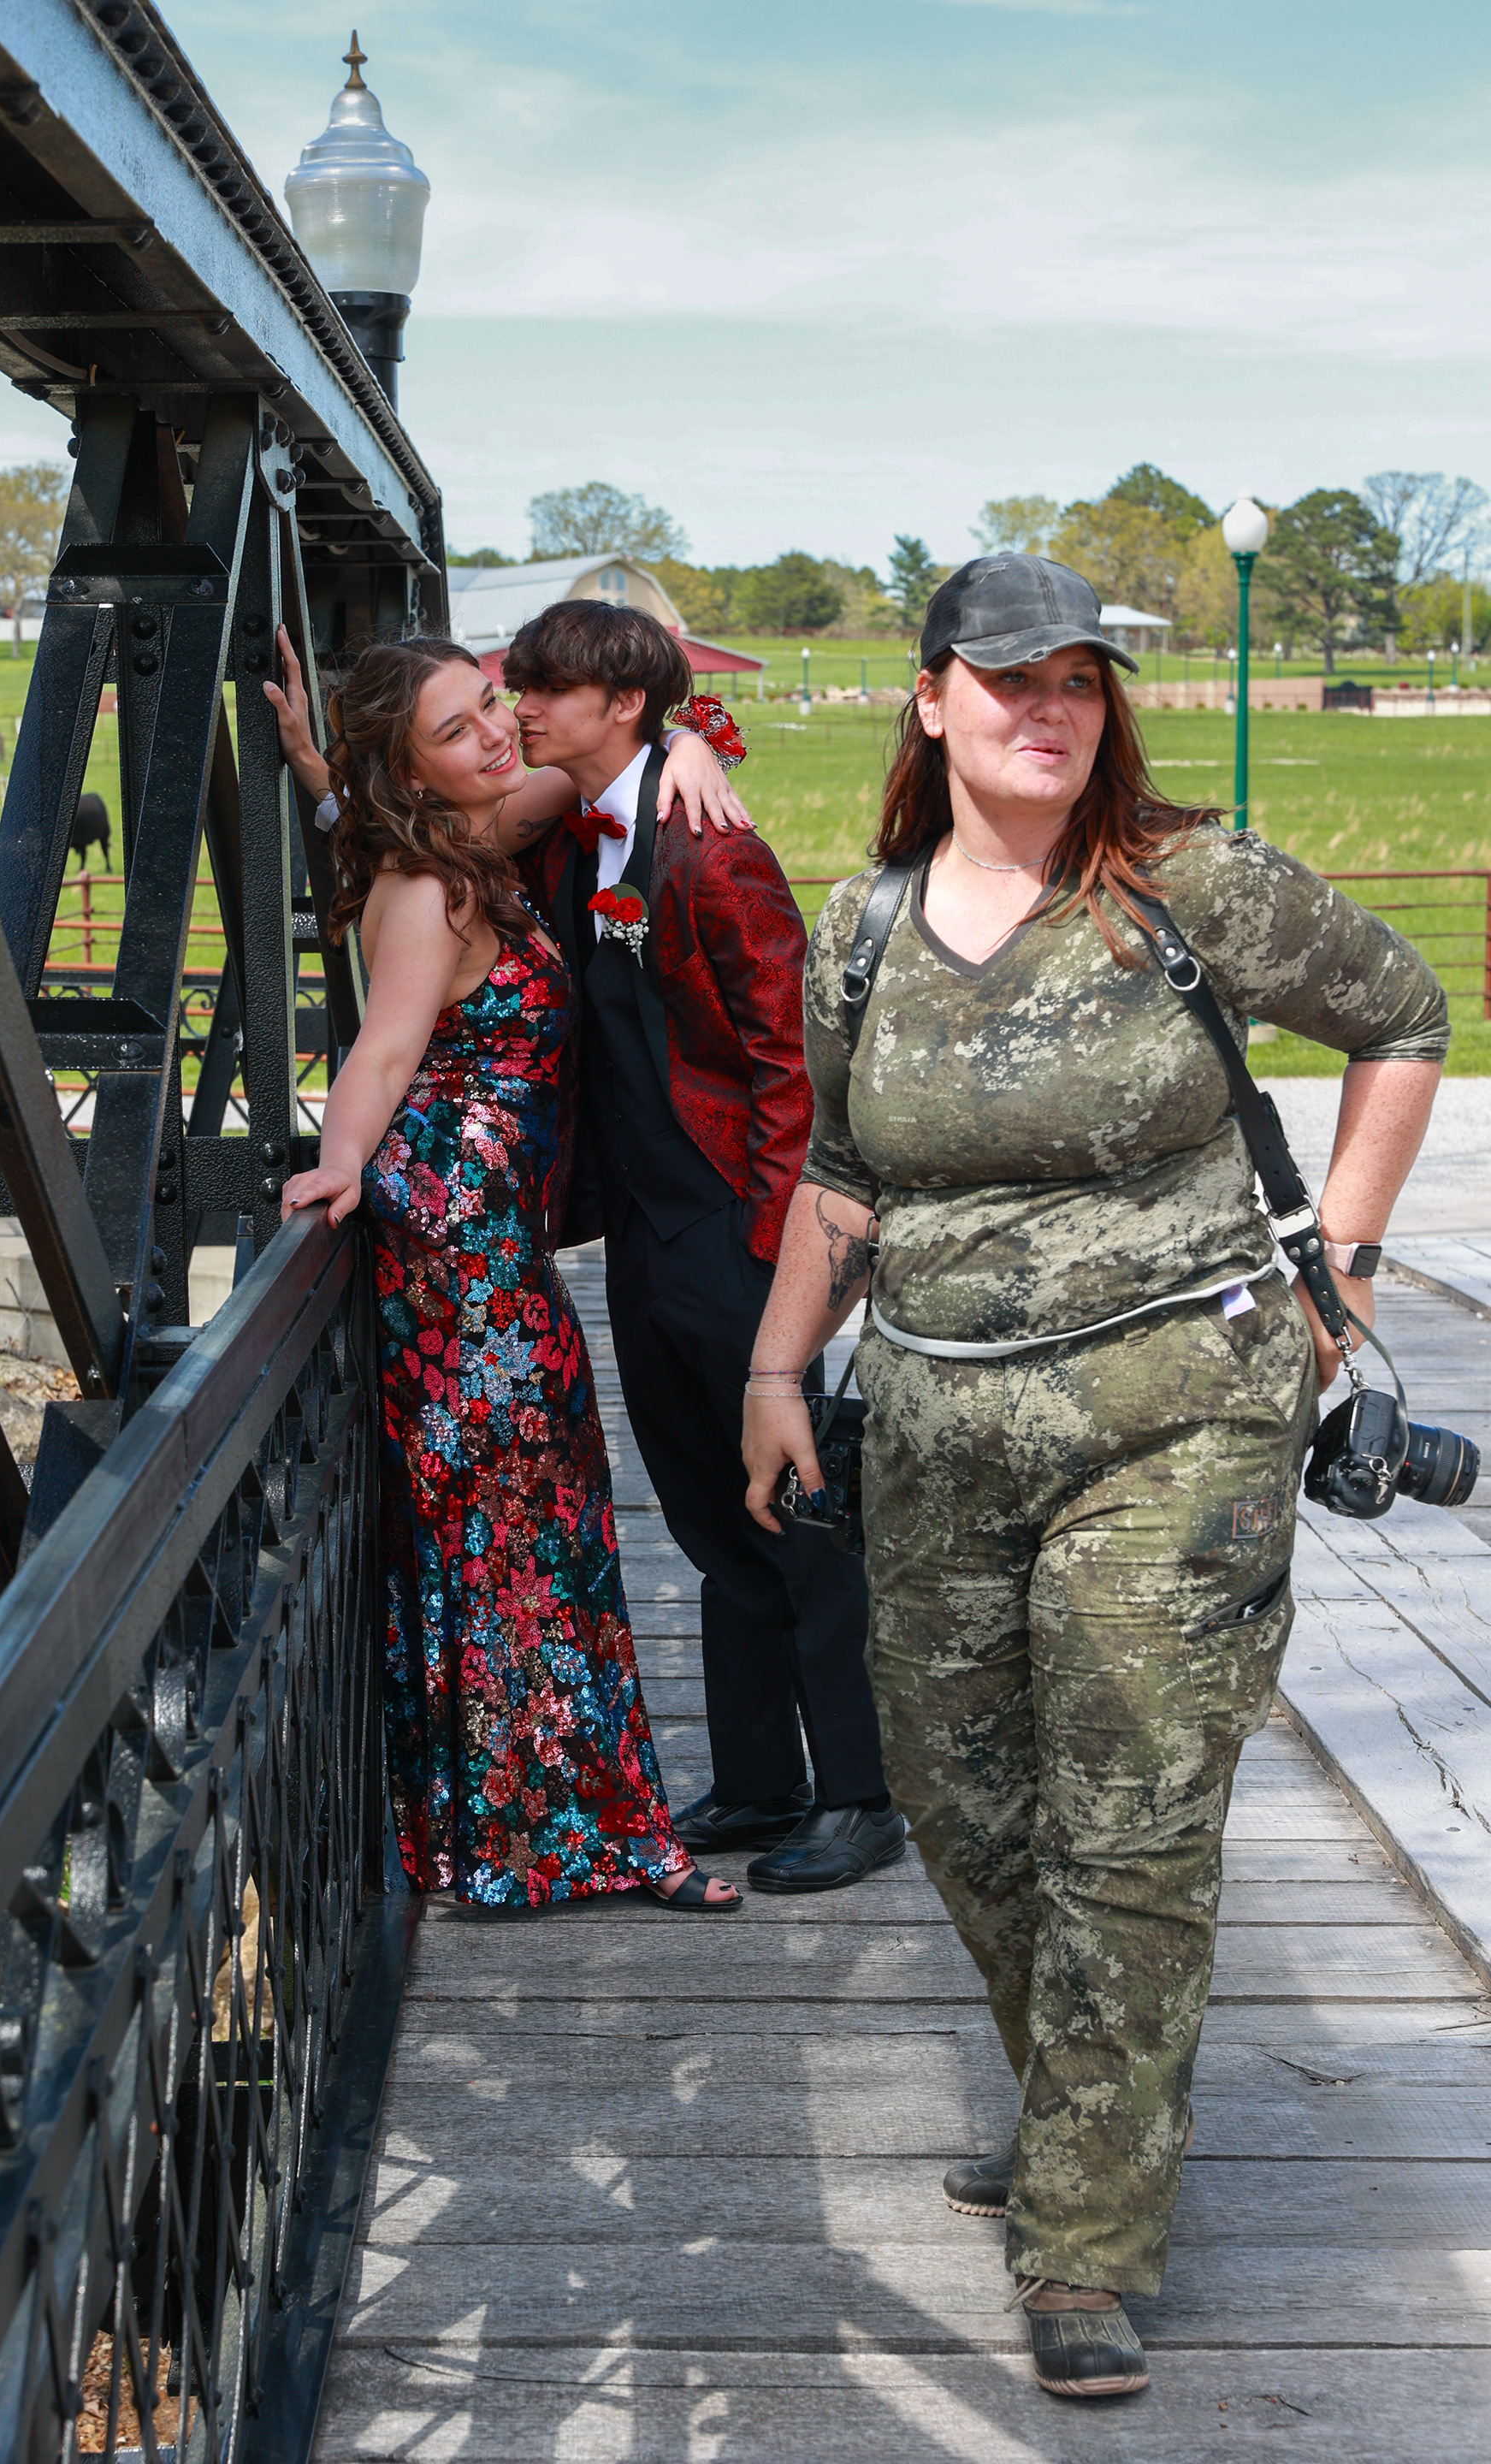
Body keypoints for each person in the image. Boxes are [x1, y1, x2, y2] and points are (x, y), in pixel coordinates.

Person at [741, 554, 1448, 2394]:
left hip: (1180, 1424)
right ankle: (1085, 2107)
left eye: (1076, 680)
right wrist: (773, 1366)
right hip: (938, 1427)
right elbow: (841, 1170)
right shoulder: (864, 931)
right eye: (1005, 680)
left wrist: (1343, 1279)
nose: (1046, 708)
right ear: (930, 703)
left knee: (1131, 1815)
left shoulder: (1192, 888)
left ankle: (1085, 2241)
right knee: (967, 1806)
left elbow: (1405, 1016)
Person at [271, 631, 750, 1910]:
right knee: (511, 1535)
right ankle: (552, 1845)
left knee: (533, 1527)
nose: (498, 730)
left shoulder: (468, 839)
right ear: (411, 771)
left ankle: (533, 1835)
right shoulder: (427, 891)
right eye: (459, 728)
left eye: (492, 704)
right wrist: (340, 1162)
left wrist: (689, 738)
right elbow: (380, 1052)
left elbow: (601, 770)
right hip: (457, 1259)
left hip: (498, 1249)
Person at [505, 601, 901, 1893]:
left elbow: (797, 1063)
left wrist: (792, 1254)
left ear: (621, 703)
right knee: (702, 1511)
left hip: (738, 1233)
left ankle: (859, 1791)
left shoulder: (710, 855)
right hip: (643, 1235)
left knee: (794, 1513)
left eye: (544, 687)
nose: (522, 705)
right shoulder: (578, 836)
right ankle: (756, 1781)